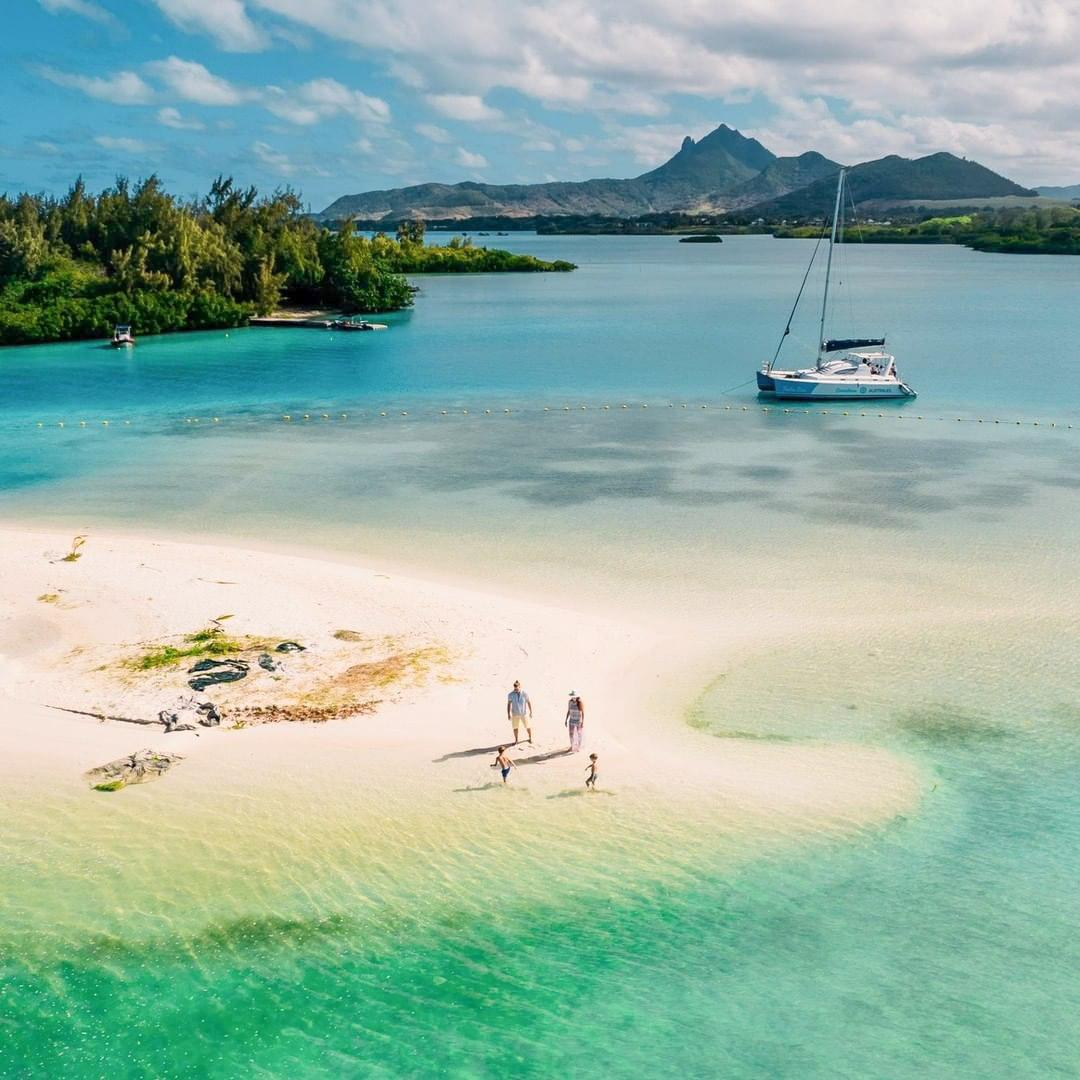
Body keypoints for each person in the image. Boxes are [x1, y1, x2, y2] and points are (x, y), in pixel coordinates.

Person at [506, 680, 533, 744]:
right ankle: (516, 740)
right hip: (515, 714)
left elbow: (528, 702)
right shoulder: (510, 695)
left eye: (517, 689)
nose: (516, 690)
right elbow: (509, 704)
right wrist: (508, 714)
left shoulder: (525, 693)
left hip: (524, 713)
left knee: (528, 726)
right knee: (515, 727)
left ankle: (530, 738)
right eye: (515, 689)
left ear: (520, 687)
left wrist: (531, 711)